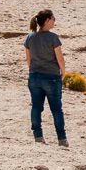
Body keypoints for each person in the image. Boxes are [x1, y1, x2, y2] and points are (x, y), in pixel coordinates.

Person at [24, 9, 67, 146]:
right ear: (47, 20)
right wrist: (63, 73)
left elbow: (28, 59)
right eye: (53, 19)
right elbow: (60, 59)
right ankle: (62, 139)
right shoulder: (53, 38)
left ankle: (38, 136)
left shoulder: (30, 37)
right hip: (51, 77)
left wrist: (33, 72)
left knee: (36, 107)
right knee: (56, 109)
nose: (55, 21)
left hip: (34, 76)